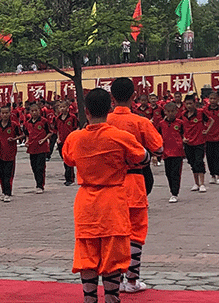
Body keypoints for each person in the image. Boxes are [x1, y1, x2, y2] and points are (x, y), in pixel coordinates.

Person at [63, 88, 149, 303]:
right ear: (110, 108)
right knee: (113, 256)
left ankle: (89, 298)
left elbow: (68, 159)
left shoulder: (75, 137)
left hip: (85, 202)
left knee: (87, 254)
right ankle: (112, 298)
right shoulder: (120, 137)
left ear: (87, 111)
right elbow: (144, 157)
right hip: (113, 201)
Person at [107, 78, 163, 293]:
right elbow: (158, 148)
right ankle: (131, 281)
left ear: (112, 97)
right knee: (136, 233)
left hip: (110, 184)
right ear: (133, 96)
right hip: (135, 182)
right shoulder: (141, 122)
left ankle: (115, 279)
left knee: (116, 233)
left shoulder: (105, 123)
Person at [182, 93, 214, 192]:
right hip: (188, 143)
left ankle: (202, 184)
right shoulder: (183, 115)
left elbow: (211, 120)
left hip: (199, 142)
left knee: (199, 162)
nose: (189, 106)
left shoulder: (200, 113)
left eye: (190, 103)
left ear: (195, 103)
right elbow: (180, 128)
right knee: (192, 163)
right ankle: (196, 183)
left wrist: (207, 130)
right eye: (187, 104)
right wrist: (183, 138)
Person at [0, 105, 22, 202]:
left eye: (6, 113)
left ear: (10, 113)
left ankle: (8, 192)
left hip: (10, 152)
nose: (4, 115)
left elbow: (21, 135)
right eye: (3, 113)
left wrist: (14, 139)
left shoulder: (14, 125)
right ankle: (3, 191)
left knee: (8, 173)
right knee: (1, 173)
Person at [157, 102, 185, 202]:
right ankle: (171, 191)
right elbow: (158, 137)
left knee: (175, 173)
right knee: (168, 173)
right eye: (168, 112)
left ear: (176, 111)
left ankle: (175, 193)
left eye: (172, 111)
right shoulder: (161, 124)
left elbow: (183, 134)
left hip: (177, 152)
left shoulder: (180, 123)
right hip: (166, 152)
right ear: (164, 112)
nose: (170, 114)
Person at [23, 104, 53, 194]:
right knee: (34, 167)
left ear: (39, 111)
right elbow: (27, 134)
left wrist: (44, 140)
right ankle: (37, 182)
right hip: (32, 148)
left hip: (42, 148)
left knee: (40, 167)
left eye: (36, 111)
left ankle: (40, 185)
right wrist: (27, 141)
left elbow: (50, 133)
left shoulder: (44, 121)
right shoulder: (27, 123)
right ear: (30, 112)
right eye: (32, 111)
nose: (34, 113)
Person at [54, 100, 78, 186]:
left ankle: (70, 178)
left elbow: (76, 128)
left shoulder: (72, 117)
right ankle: (69, 177)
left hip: (70, 141)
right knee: (64, 159)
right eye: (61, 107)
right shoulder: (57, 119)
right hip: (61, 142)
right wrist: (58, 138)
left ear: (68, 108)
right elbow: (56, 130)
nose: (62, 109)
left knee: (68, 159)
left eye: (64, 107)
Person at [204, 91, 219, 184]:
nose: (212, 100)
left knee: (217, 156)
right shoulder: (205, 110)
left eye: (214, 98)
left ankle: (218, 174)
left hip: (218, 137)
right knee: (209, 157)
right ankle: (212, 175)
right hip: (208, 137)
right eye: (211, 98)